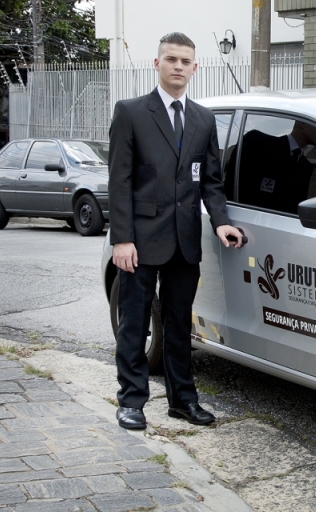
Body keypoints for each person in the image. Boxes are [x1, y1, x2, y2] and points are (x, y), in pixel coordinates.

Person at [108, 32, 243, 430]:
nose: (178, 67)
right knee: (134, 323)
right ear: (157, 64)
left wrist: (221, 224)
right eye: (171, 59)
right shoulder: (131, 112)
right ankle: (131, 401)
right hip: (140, 241)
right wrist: (122, 238)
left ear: (195, 67)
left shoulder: (203, 119)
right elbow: (120, 180)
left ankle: (182, 400)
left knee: (180, 323)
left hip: (185, 241)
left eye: (185, 61)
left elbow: (211, 182)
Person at [237, 121, 316, 213]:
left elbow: (296, 206)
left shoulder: (306, 167)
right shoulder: (258, 143)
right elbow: (235, 183)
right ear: (303, 124)